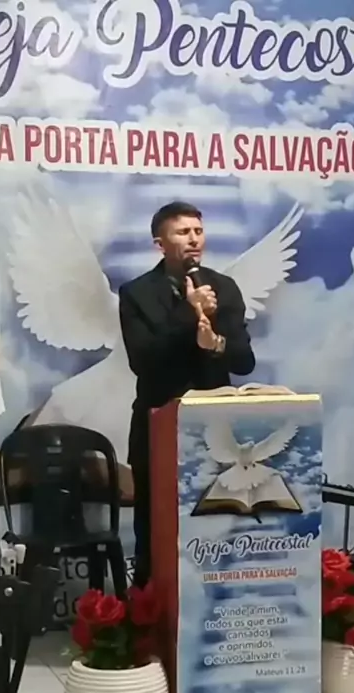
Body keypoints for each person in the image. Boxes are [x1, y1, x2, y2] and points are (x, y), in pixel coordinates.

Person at [119, 200, 255, 587]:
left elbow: (244, 360)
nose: (193, 239)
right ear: (160, 244)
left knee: (216, 525)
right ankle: (150, 607)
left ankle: (217, 602)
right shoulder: (136, 293)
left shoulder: (224, 288)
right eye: (182, 232)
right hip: (157, 427)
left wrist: (216, 344)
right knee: (154, 529)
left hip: (215, 431)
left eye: (198, 231)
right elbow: (143, 361)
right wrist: (188, 314)